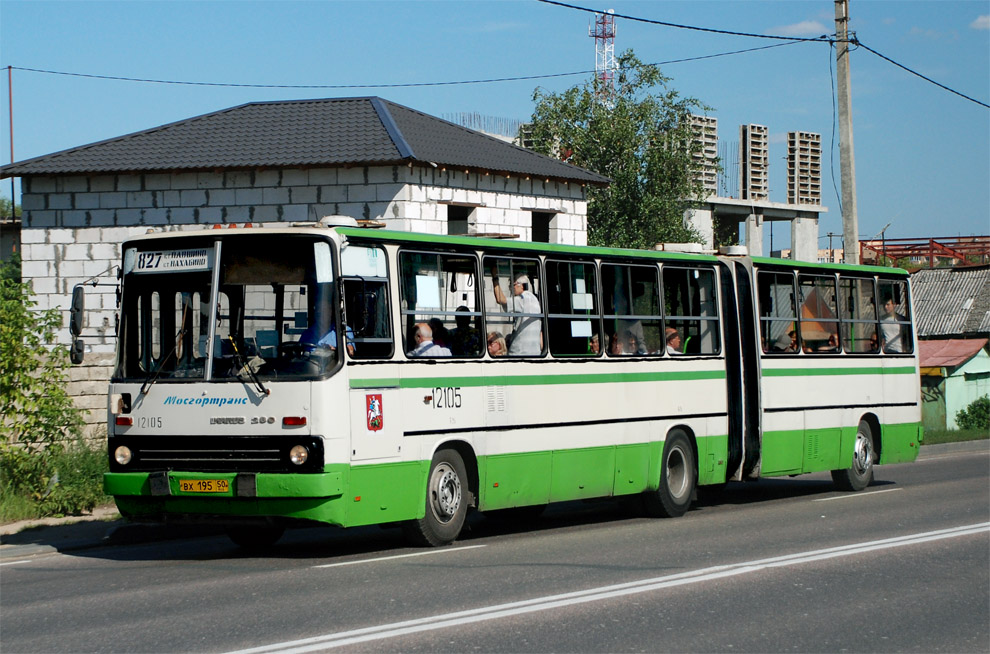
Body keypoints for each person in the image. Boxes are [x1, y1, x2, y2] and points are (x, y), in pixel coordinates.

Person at [491, 270, 542, 355]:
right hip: (534, 352)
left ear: (521, 285)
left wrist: (495, 277)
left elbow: (500, 299)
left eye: (512, 285)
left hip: (520, 352)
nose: (511, 289)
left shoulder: (523, 298)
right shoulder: (534, 299)